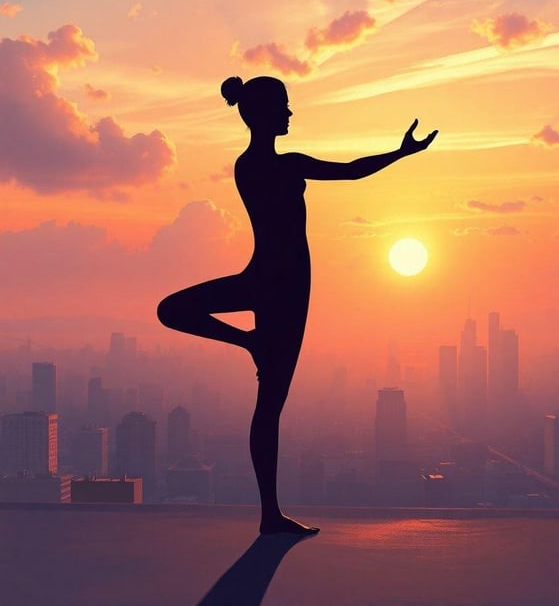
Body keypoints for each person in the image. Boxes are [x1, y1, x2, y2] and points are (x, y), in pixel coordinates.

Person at [157, 76, 437, 534]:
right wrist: (401, 153)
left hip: (266, 281)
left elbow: (349, 170)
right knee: (268, 404)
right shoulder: (281, 166)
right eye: (284, 107)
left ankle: (270, 513)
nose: (291, 114)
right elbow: (350, 170)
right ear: (264, 114)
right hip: (283, 290)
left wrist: (399, 153)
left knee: (266, 403)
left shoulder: (252, 165)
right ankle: (251, 348)